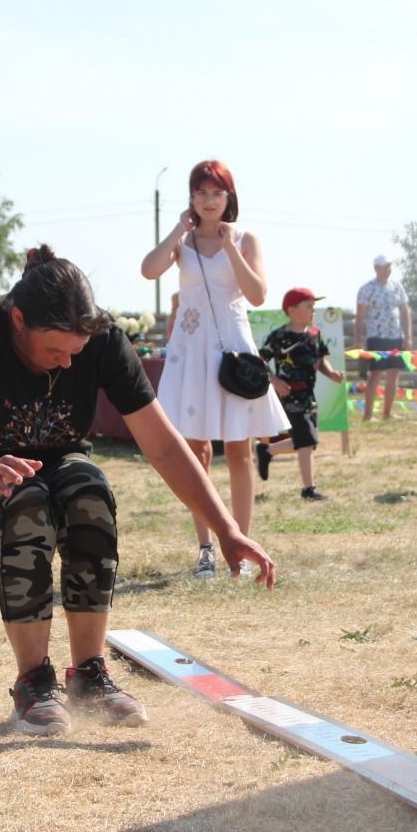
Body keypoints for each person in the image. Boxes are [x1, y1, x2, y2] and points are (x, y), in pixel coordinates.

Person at [0, 246, 276, 736]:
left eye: (74, 354)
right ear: (18, 319)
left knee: (92, 490)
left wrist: (226, 529)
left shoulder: (104, 342)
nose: (65, 364)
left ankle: (89, 674)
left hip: (52, 466)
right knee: (27, 498)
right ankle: (33, 682)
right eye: (53, 352)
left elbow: (164, 447)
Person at [141, 161, 287, 578]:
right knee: (196, 449)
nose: (209, 200)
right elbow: (149, 269)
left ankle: (242, 544)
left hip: (233, 350)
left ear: (229, 197)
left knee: (240, 450)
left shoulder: (244, 238)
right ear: (191, 198)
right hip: (191, 348)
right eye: (201, 193)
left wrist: (228, 248)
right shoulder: (181, 241)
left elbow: (258, 294)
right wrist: (176, 231)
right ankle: (206, 546)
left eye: (216, 193)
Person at [255, 288, 345, 500]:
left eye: (313, 306)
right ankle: (308, 489)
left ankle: (266, 451)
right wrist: (275, 381)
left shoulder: (314, 334)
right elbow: (259, 361)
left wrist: (331, 373)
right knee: (306, 440)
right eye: (308, 306)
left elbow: (320, 361)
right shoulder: (279, 336)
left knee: (307, 440)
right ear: (292, 310)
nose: (313, 311)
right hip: (289, 395)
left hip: (309, 395)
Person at [354, 255, 413, 422]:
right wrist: (358, 339)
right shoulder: (366, 289)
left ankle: (387, 413)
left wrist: (408, 336)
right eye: (383, 266)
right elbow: (360, 317)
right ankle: (368, 415)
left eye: (389, 266)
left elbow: (405, 311)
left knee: (394, 374)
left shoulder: (397, 286)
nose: (387, 269)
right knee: (376, 375)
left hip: (395, 336)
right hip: (377, 337)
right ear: (376, 268)